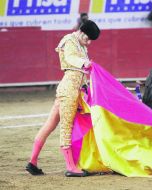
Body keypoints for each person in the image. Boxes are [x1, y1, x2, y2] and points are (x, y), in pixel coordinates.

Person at [26, 20, 100, 177]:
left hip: (71, 90)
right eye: (88, 39)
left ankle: (32, 162)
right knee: (66, 127)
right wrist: (84, 63)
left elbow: (81, 73)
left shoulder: (81, 45)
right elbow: (71, 58)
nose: (89, 43)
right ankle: (71, 167)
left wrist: (86, 87)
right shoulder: (69, 40)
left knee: (50, 125)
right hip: (68, 91)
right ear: (81, 32)